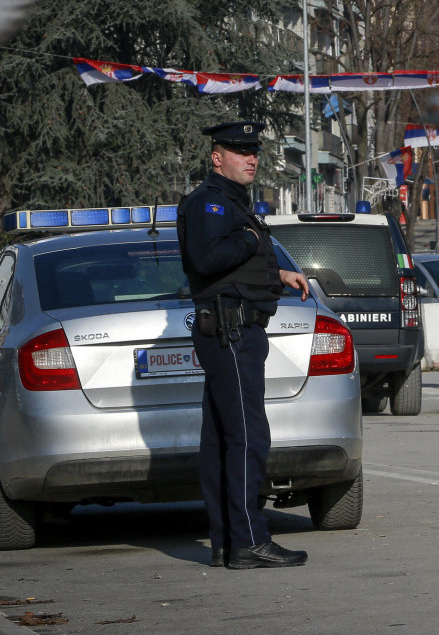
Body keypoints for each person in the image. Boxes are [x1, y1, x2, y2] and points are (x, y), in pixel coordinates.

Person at [178, 121, 311, 570]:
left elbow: (231, 268)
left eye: (253, 150)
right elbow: (207, 259)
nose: (251, 158)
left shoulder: (233, 203)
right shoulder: (211, 204)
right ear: (217, 157)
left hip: (235, 331)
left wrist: (277, 275)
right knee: (249, 437)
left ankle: (227, 543)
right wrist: (251, 237)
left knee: (221, 440)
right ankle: (251, 540)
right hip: (231, 333)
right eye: (239, 151)